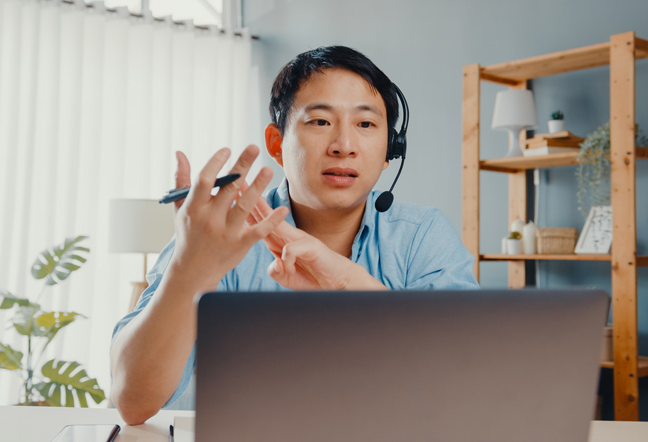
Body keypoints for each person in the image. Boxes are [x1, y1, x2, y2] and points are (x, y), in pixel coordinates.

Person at [110, 46, 479, 425]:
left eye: (365, 125)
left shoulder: (423, 237)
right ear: (276, 144)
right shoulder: (220, 235)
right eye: (320, 122)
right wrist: (188, 271)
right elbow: (134, 401)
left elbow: (469, 380)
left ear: (390, 151)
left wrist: (344, 282)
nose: (344, 145)